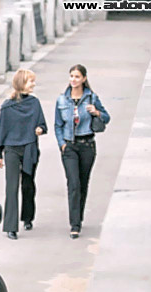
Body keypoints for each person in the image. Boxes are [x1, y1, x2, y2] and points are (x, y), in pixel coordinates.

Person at [54, 64, 110, 239]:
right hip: (69, 146)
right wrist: (62, 144)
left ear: (84, 79)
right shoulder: (62, 99)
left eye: (77, 76)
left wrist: (97, 112)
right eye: (71, 76)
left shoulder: (92, 98)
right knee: (73, 183)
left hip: (87, 145)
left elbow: (107, 117)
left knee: (83, 183)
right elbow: (58, 125)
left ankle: (79, 217)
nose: (73, 80)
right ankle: (74, 224)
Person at [0, 69, 47, 240]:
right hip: (11, 149)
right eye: (30, 81)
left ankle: (27, 217)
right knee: (11, 187)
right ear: (21, 83)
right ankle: (11, 227)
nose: (33, 84)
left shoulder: (34, 103)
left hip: (29, 147)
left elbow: (42, 124)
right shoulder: (7, 106)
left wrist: (40, 129)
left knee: (28, 184)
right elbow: (2, 130)